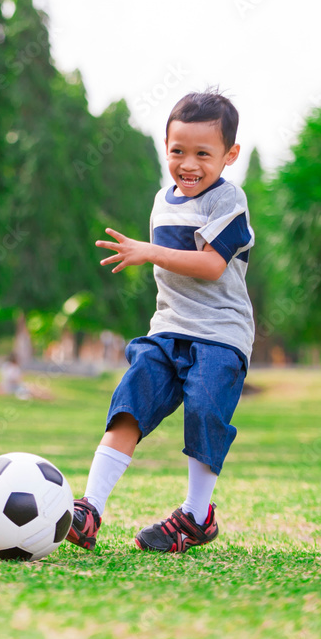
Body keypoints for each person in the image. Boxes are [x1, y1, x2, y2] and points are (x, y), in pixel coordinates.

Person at [66, 90, 254, 553]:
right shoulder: (161, 199)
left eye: (203, 154)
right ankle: (89, 509)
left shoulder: (229, 199)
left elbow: (211, 265)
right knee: (129, 402)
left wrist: (147, 251)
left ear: (229, 155)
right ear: (165, 147)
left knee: (206, 410)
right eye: (177, 151)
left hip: (220, 334)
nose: (188, 164)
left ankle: (196, 515)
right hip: (167, 331)